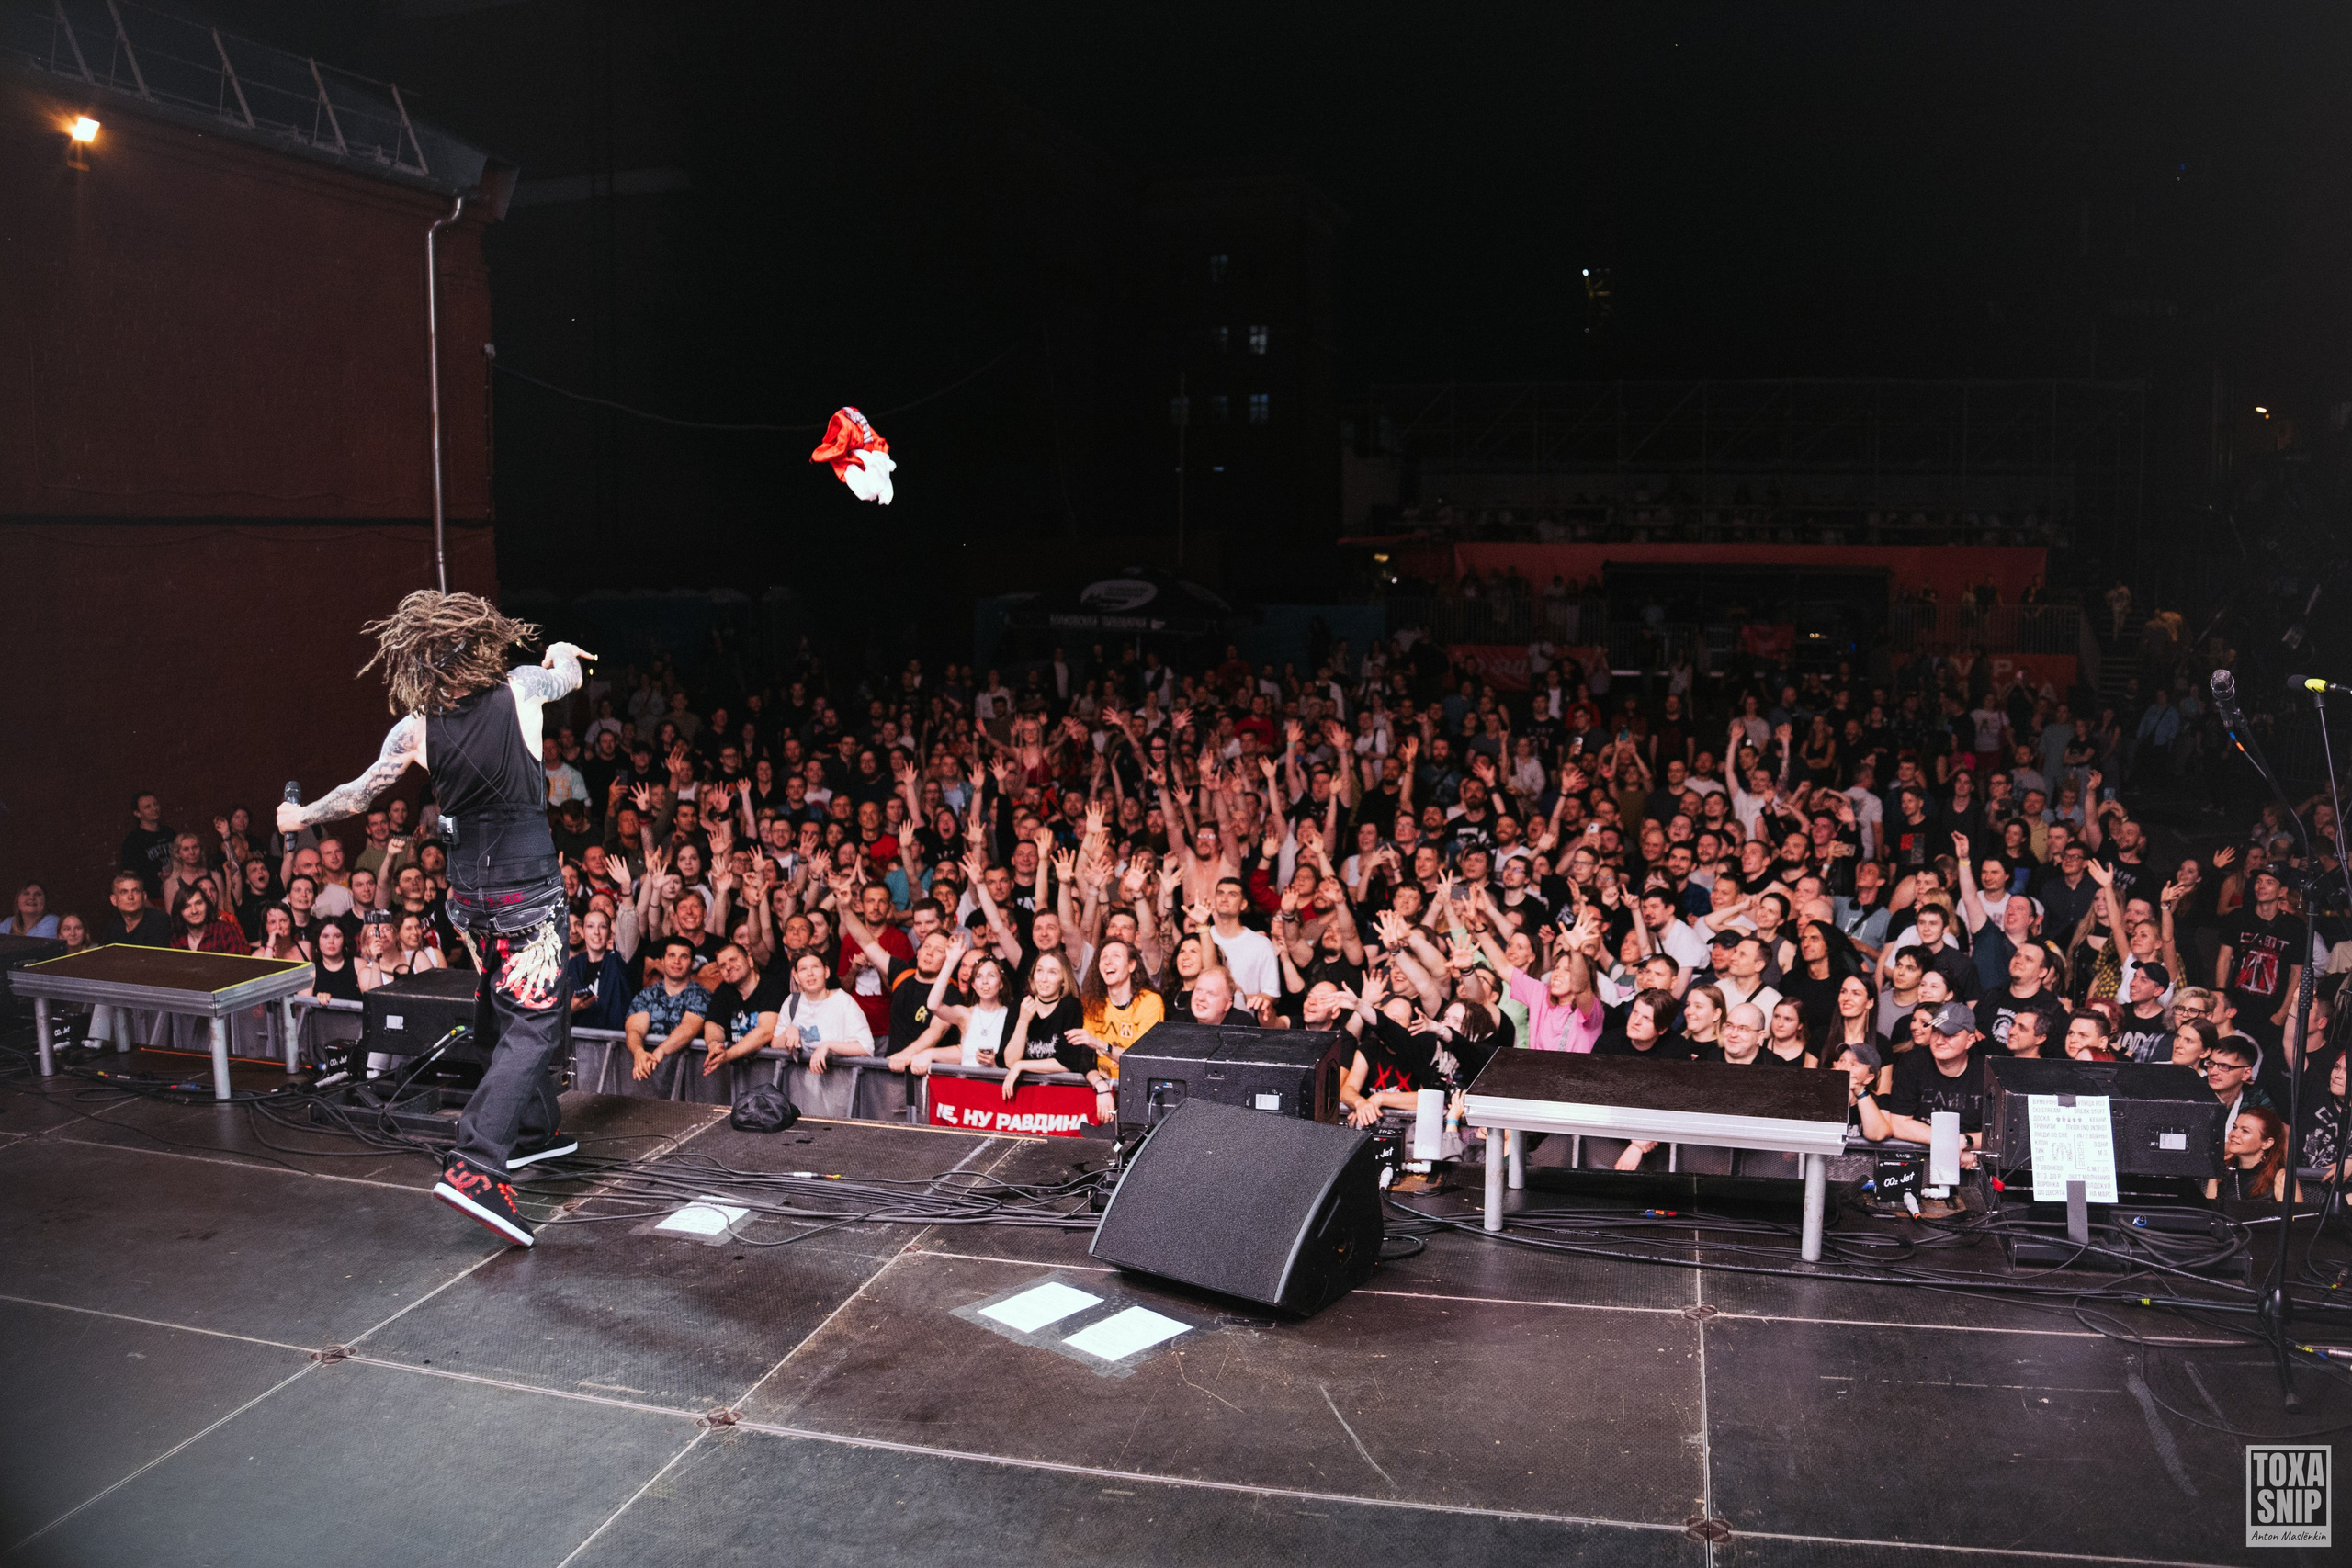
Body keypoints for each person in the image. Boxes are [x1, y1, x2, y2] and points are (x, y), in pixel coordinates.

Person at [279, 591, 592, 1245]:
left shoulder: (415, 726)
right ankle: (478, 1163)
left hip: (469, 900)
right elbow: (567, 673)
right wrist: (561, 651)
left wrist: (300, 818)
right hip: (526, 892)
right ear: (484, 642)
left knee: (510, 1007)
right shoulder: (521, 688)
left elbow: (360, 791)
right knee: (533, 1023)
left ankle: (531, 1131)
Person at [623, 935, 712, 1097]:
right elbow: (634, 1029)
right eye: (671, 955)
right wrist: (638, 1052)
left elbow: (690, 1027)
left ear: (692, 964)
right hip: (649, 1079)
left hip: (691, 1084)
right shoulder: (647, 994)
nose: (676, 961)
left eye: (683, 956)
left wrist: (660, 1051)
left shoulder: (701, 995)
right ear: (662, 961)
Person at [2207, 1105, 2290, 1202]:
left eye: (2245, 1131)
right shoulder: (2220, 1170)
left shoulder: (2281, 1177)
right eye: (2234, 1127)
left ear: (2267, 1143)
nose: (2233, 1134)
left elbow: (2296, 1216)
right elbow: (2210, 1213)